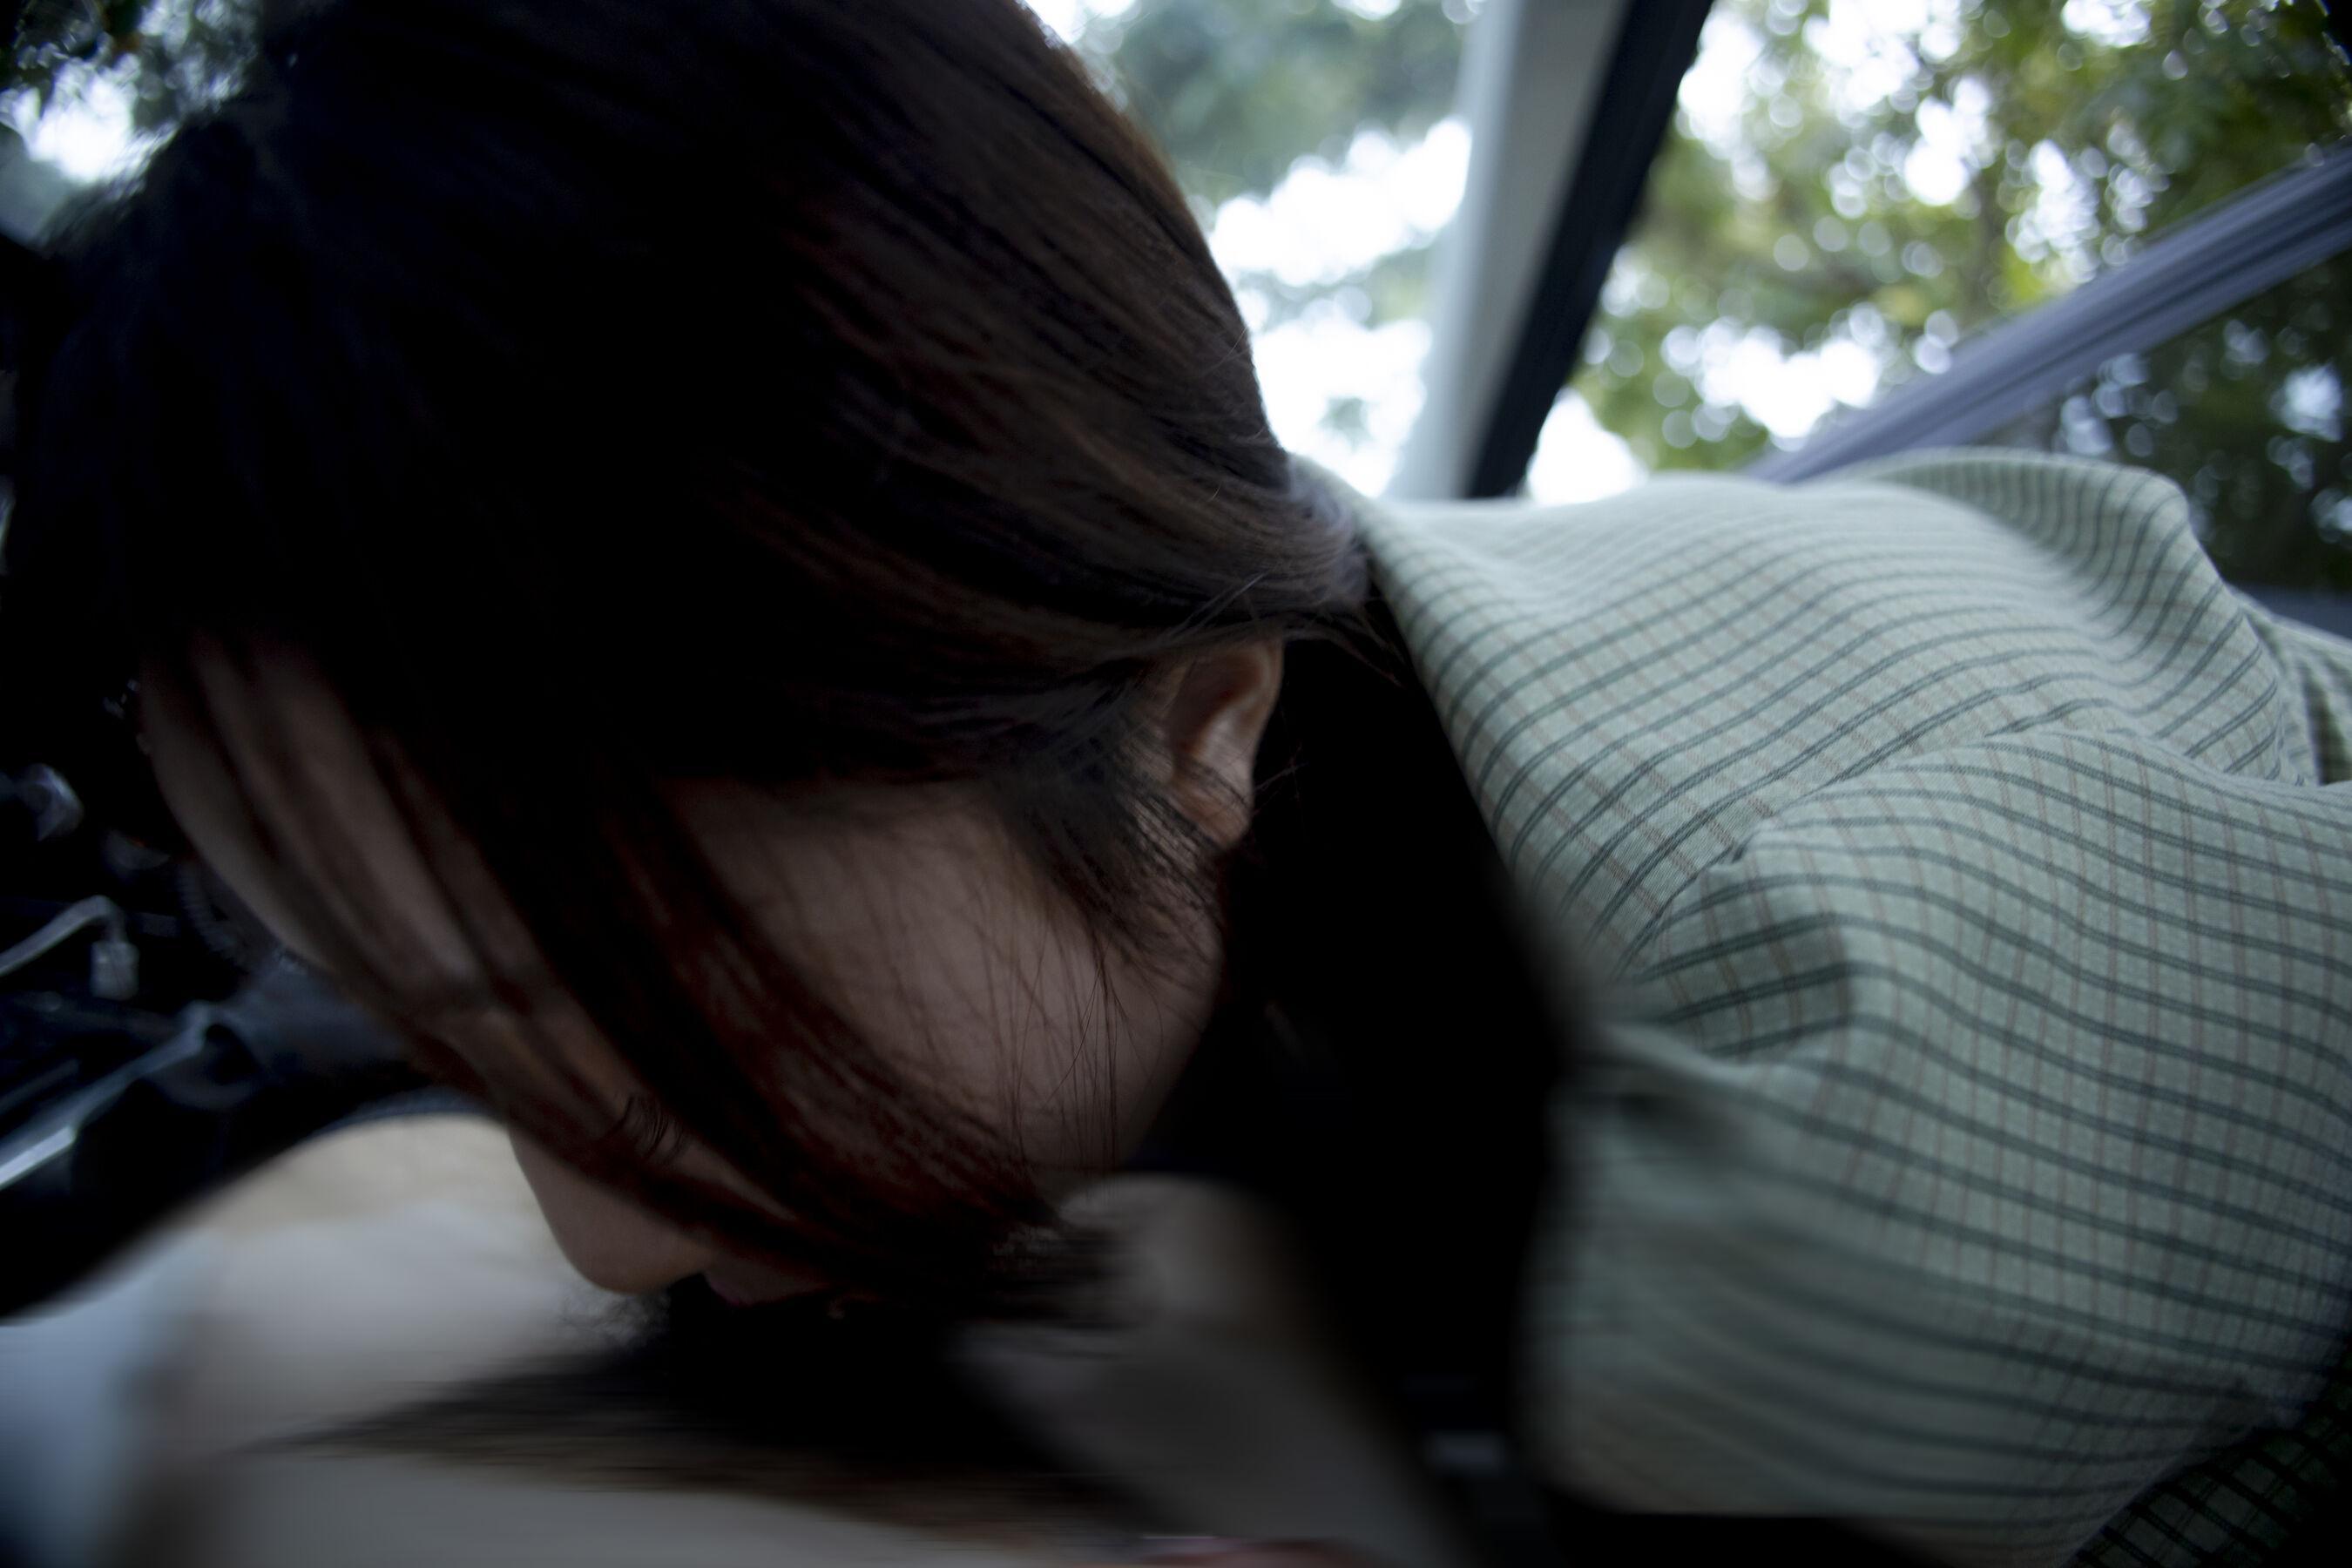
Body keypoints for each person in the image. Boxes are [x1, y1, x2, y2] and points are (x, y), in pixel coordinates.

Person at [6, 0, 2349, 1562]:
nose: (596, 1230)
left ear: (1204, 725)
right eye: (461, 1049)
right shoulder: (1220, 762)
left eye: (642, 1010)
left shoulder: (1846, 1115)